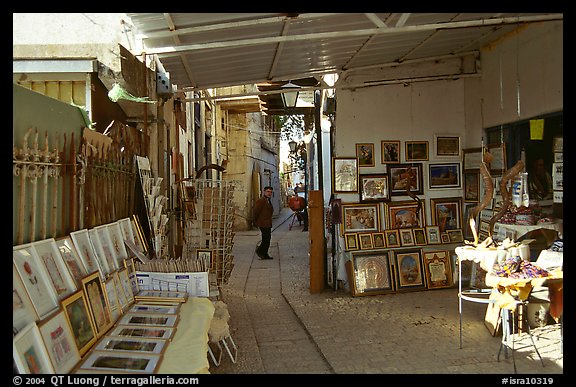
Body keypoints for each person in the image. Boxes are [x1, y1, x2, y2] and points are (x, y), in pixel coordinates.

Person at [253, 186, 274, 259]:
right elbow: (256, 212)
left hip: (267, 223)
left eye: (271, 192)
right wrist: (255, 221)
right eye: (268, 191)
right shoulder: (261, 201)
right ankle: (260, 251)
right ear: (264, 192)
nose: (269, 193)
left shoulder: (268, 200)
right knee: (266, 238)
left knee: (267, 238)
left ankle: (264, 253)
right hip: (263, 223)